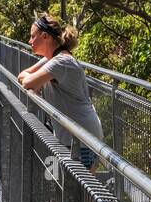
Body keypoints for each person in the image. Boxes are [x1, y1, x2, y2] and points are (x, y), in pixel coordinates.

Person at [17, 12, 104, 168]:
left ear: (45, 36)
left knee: (77, 190)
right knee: (71, 189)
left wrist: (31, 80)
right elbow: (22, 76)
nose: (29, 41)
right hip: (76, 134)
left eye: (32, 36)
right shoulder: (52, 59)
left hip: (81, 137)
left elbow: (27, 81)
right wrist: (30, 80)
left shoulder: (61, 62)